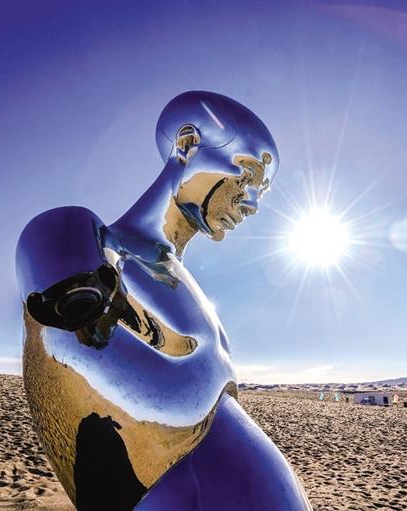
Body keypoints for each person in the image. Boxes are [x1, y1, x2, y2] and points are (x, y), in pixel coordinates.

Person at [15, 91, 311, 510]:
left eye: (260, 192)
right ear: (188, 143)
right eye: (245, 176)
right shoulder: (93, 245)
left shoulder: (181, 283)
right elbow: (76, 347)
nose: (251, 204)